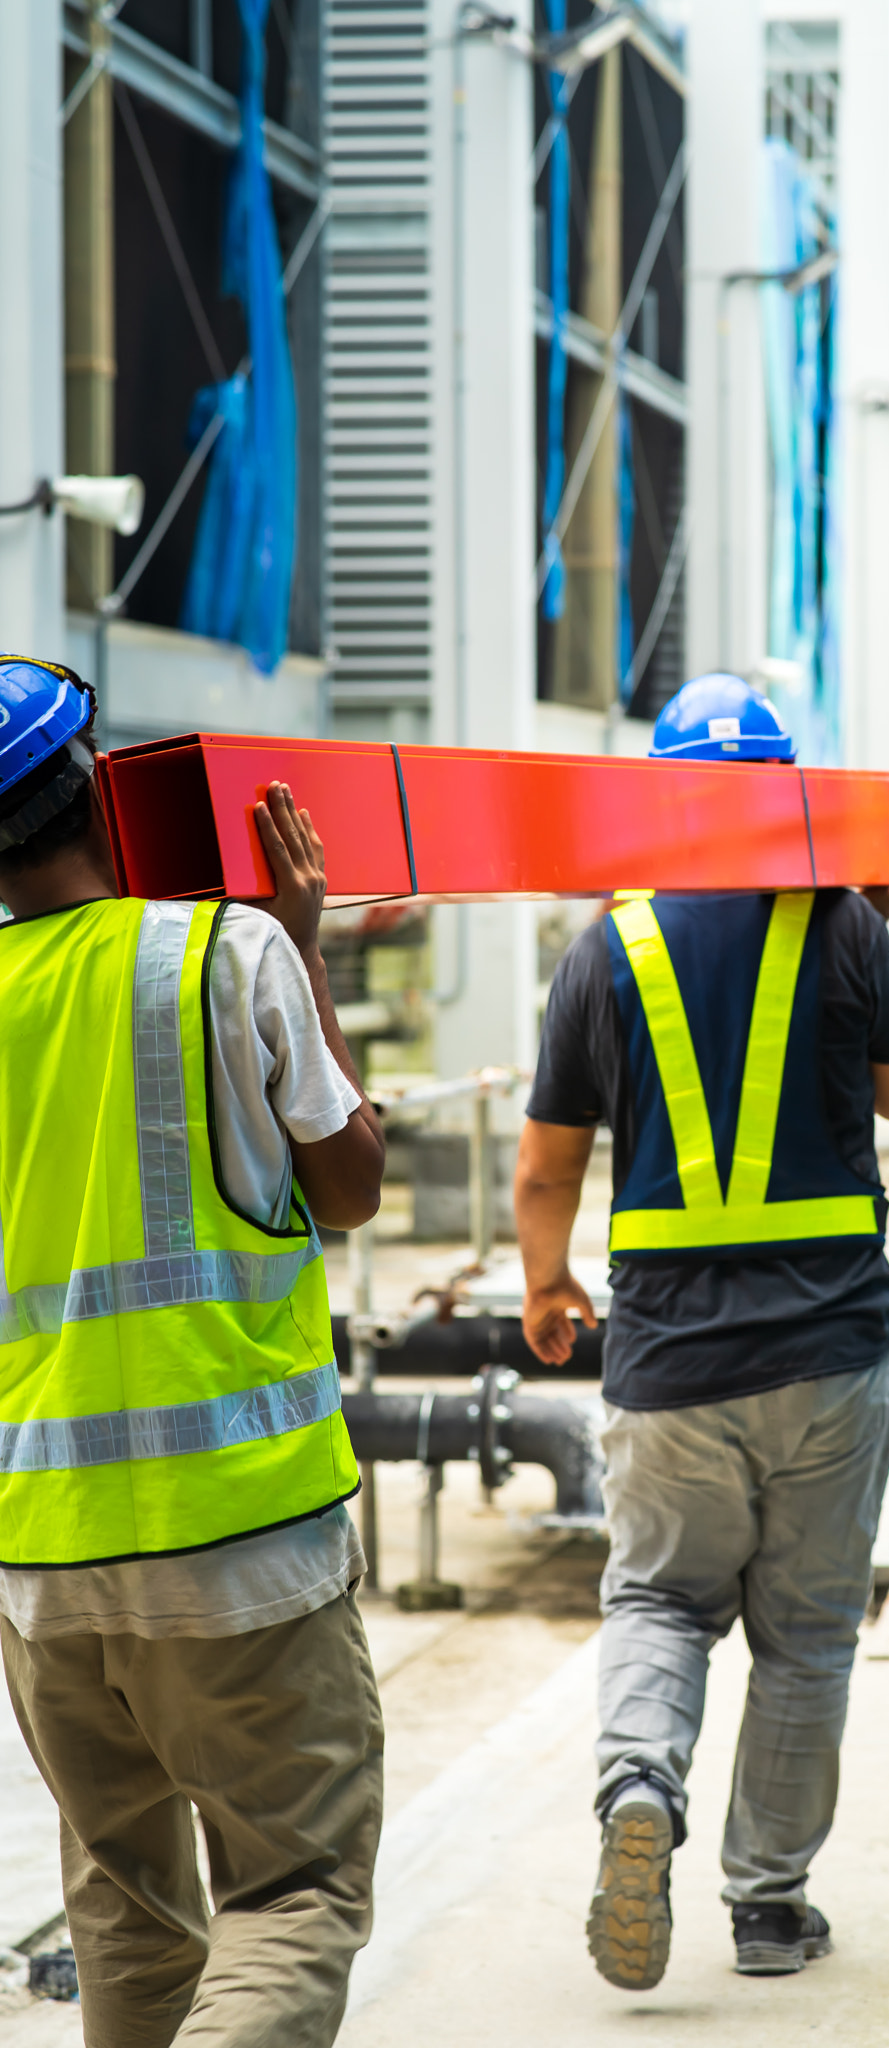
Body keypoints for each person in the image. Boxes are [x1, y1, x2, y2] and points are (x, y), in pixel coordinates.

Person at [513, 674, 889, 1992]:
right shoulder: (843, 929)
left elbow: (546, 1166)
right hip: (834, 1355)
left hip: (671, 1366)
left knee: (657, 1601)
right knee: (805, 1640)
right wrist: (875, 940)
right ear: (789, 789)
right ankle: (767, 1907)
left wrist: (546, 1285)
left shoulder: (608, 947)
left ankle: (640, 1792)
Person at [0, 655, 386, 2047]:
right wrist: (302, 944)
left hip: (41, 1562)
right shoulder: (221, 952)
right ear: (102, 787)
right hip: (241, 1531)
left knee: (126, 1908)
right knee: (295, 1891)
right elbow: (348, 1190)